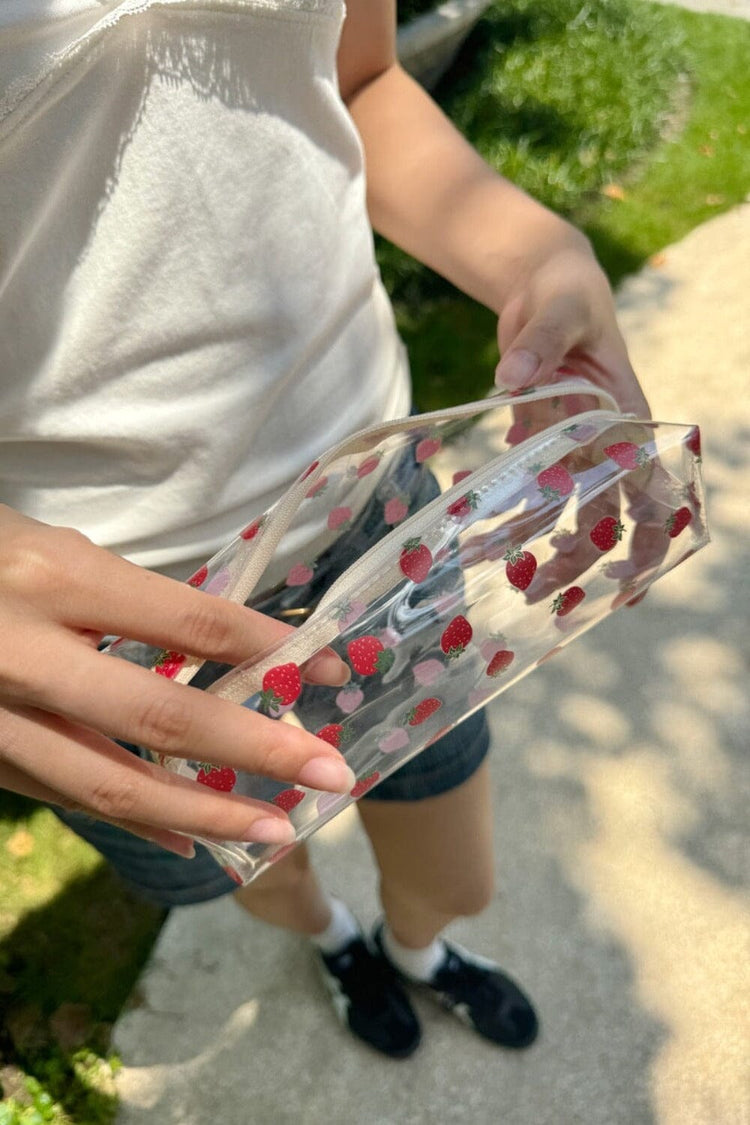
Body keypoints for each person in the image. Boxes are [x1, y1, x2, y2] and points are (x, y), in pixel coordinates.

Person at [0, 0, 650, 1058]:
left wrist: (532, 251)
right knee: (260, 862)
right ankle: (337, 944)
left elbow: (355, 82)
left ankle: (419, 951)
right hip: (107, 643)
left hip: (375, 521)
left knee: (455, 873)